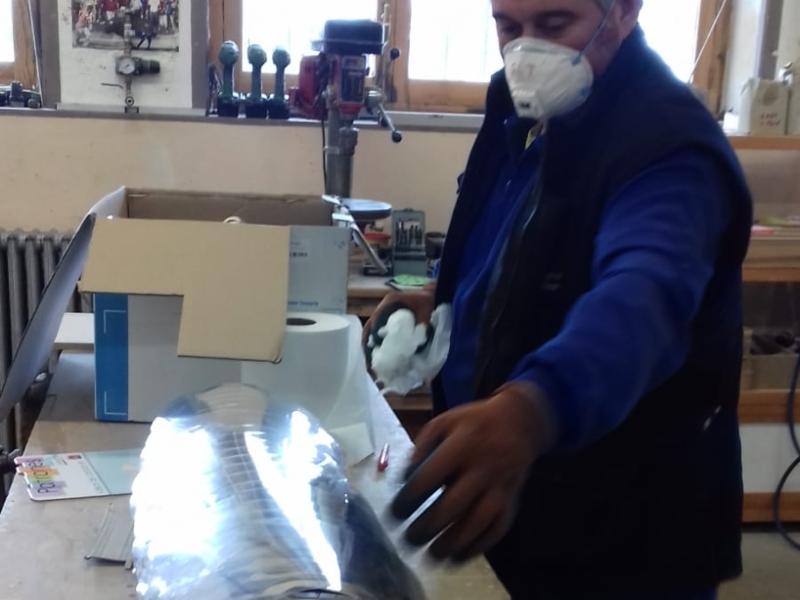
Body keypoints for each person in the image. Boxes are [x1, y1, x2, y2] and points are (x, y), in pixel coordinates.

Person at [369, 1, 753, 598]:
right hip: (524, 504)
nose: (527, 50)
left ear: (623, 11)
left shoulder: (669, 148)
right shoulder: (527, 110)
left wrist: (533, 409)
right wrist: (443, 296)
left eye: (554, 25)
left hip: (627, 533)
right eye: (508, 26)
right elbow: (512, 240)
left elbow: (642, 300)